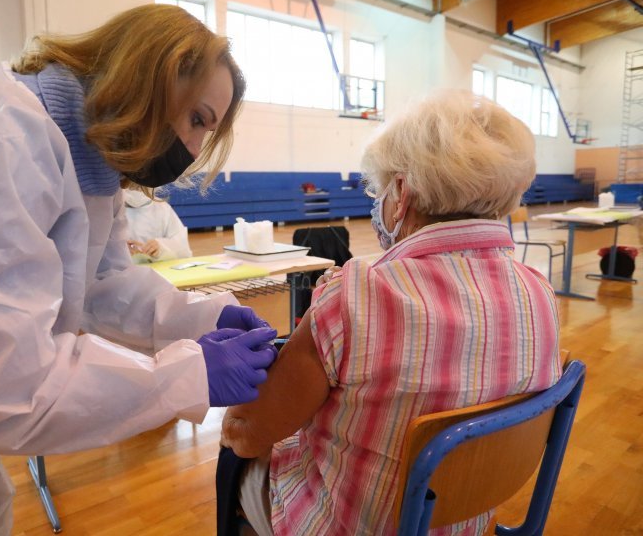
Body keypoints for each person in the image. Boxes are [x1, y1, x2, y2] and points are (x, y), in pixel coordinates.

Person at [0, 4, 279, 535]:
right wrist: (188, 375)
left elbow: (101, 285)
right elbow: (8, 391)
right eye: (195, 119)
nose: (190, 149)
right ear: (146, 74)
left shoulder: (86, 163)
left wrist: (203, 319)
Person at [217, 91, 563, 536]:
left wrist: (234, 410)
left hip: (355, 525)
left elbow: (249, 433)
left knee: (235, 454)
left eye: (379, 189)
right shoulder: (539, 294)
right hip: (464, 523)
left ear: (400, 193)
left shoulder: (356, 293)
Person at [124, 188, 193, 262]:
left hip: (159, 269)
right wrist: (120, 250)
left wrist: (161, 247)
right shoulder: (114, 209)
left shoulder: (163, 208)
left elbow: (183, 250)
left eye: (141, 186)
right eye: (131, 185)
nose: (137, 189)